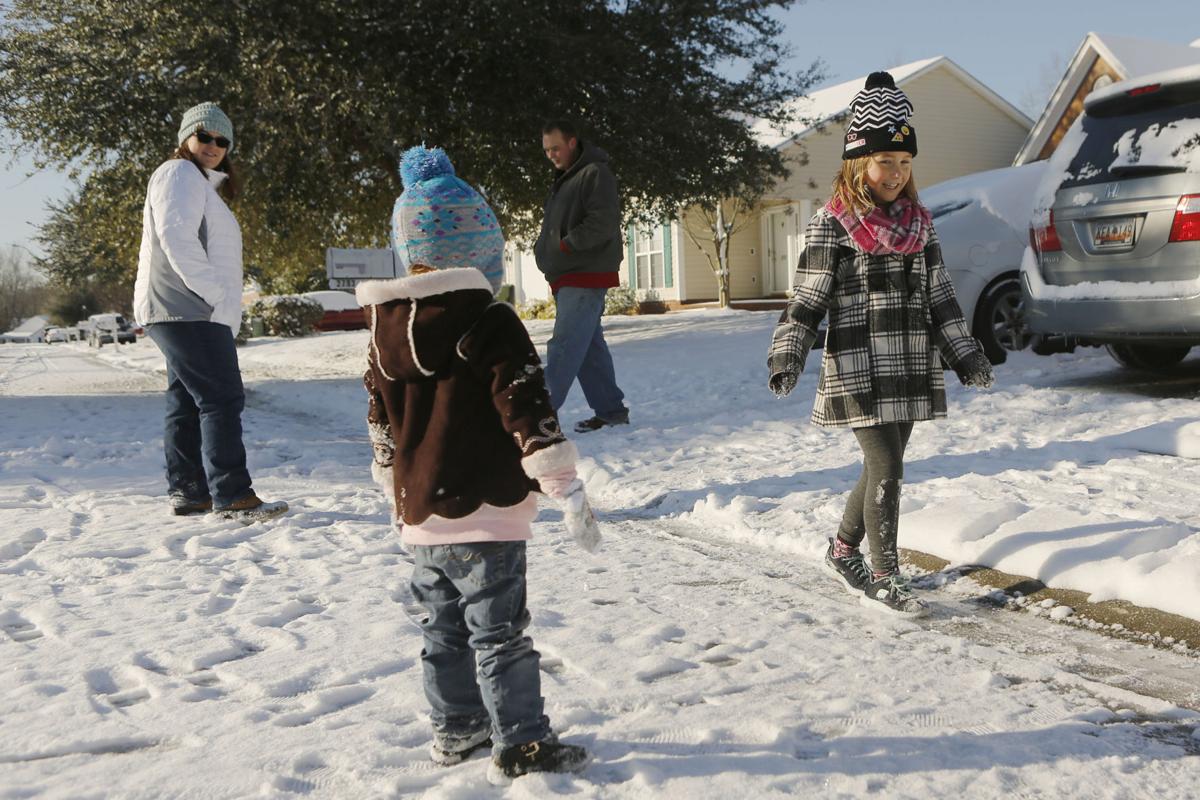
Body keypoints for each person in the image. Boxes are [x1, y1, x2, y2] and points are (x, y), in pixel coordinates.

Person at [359, 145, 597, 783]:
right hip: (487, 510)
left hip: (422, 516)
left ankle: (457, 727)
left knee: (442, 632)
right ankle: (521, 742)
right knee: (499, 634)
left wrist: (393, 485)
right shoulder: (491, 320)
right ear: (482, 250)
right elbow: (525, 404)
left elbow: (380, 420)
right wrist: (563, 483)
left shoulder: (383, 330)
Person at [766, 72, 994, 618]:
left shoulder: (921, 225)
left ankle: (843, 551)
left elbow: (941, 298)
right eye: (885, 161)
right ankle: (887, 576)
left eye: (905, 161)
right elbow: (807, 299)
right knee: (887, 465)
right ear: (857, 163)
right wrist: (788, 354)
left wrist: (966, 354)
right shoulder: (834, 225)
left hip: (910, 364)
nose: (896, 173)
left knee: (879, 469)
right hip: (859, 367)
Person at [133, 102, 287, 522]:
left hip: (182, 307)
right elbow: (176, 237)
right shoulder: (179, 173)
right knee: (221, 397)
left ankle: (190, 492)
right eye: (204, 135)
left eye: (222, 141)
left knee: (186, 402)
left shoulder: (198, 184)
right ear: (186, 138)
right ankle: (232, 495)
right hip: (188, 307)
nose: (213, 145)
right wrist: (214, 295)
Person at [533, 118, 630, 433]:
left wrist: (566, 245)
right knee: (588, 348)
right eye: (546, 150)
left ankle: (538, 416)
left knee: (564, 346)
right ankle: (611, 411)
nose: (551, 155)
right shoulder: (565, 180)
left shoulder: (594, 173)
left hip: (585, 274)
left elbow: (603, 222)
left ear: (572, 142)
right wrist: (545, 249)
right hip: (568, 274)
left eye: (556, 148)